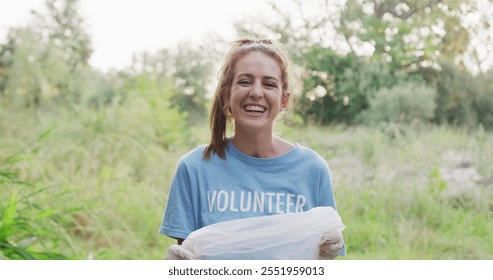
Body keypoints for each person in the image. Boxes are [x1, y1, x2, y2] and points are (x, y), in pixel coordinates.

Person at [159, 39, 345, 260]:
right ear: (226, 95)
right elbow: (189, 255)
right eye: (245, 81)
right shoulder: (194, 168)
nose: (256, 92)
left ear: (283, 99)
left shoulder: (312, 169)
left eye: (269, 84)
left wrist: (326, 257)